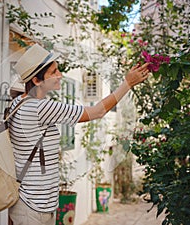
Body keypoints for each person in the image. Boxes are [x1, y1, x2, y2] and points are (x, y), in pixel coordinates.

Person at [8, 43, 149, 225]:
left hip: (33, 203)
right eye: (53, 72)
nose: (60, 75)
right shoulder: (40, 107)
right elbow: (97, 111)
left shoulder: (18, 102)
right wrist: (127, 83)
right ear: (36, 80)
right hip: (33, 207)